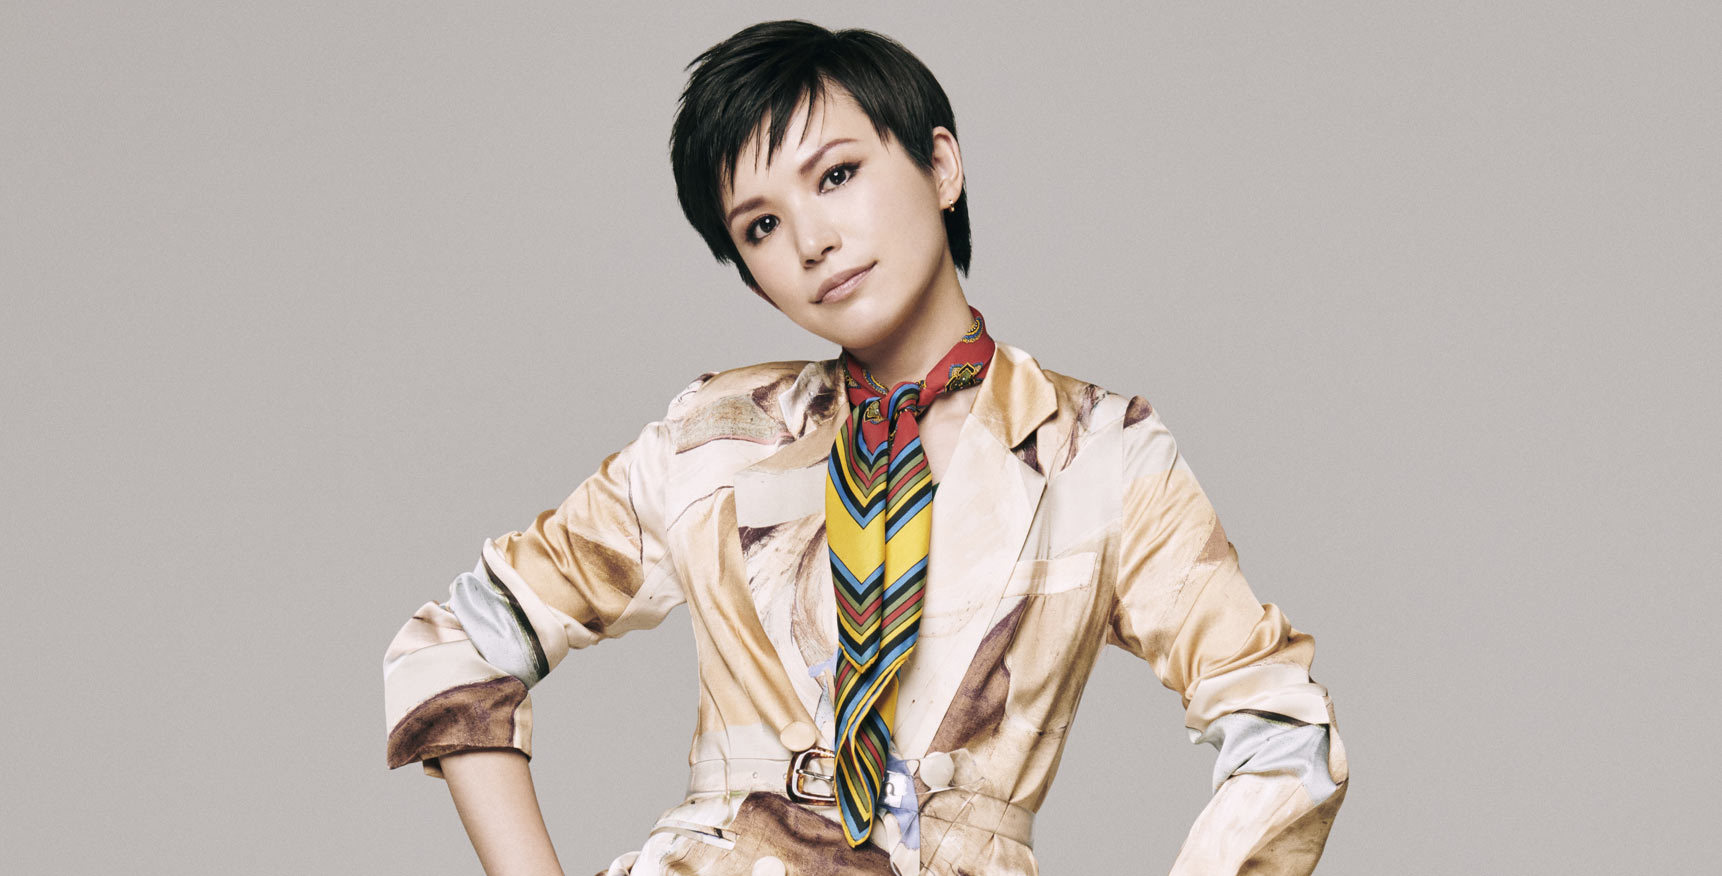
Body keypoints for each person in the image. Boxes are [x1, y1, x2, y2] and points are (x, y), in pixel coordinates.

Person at [383, 19, 1349, 876]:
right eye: (762, 225)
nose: (811, 240)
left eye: (837, 175)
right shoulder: (714, 438)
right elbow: (459, 645)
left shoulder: (1101, 455)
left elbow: (1283, 731)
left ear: (941, 166)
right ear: (750, 273)